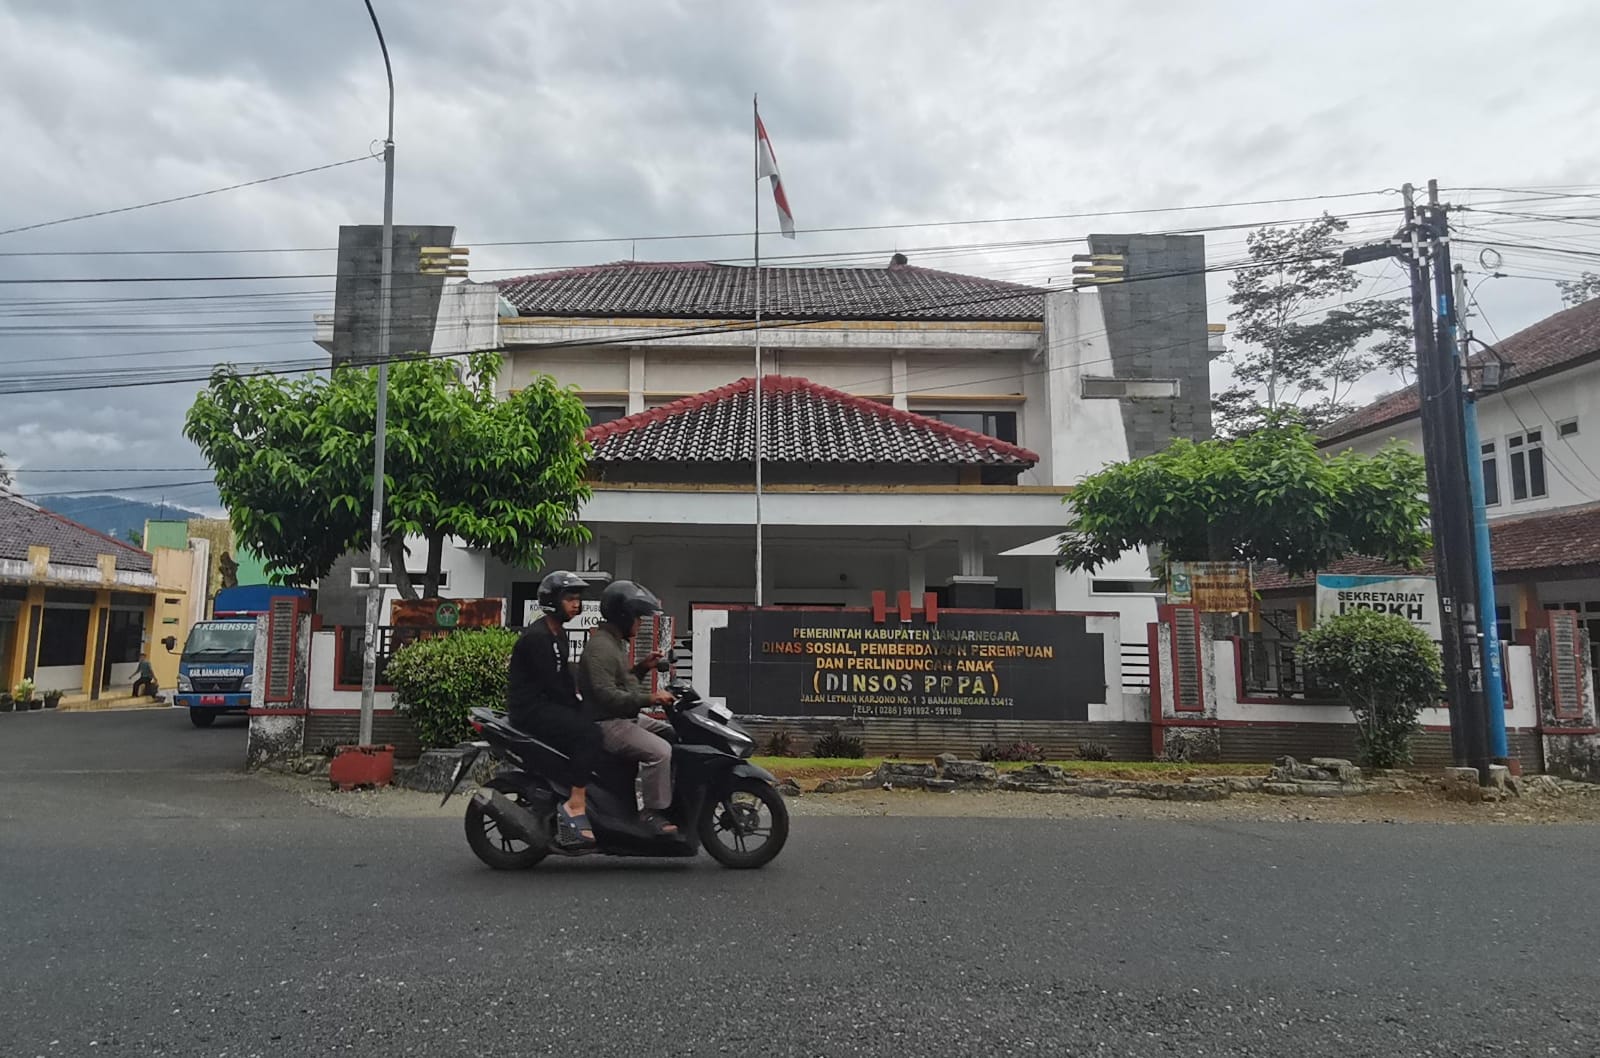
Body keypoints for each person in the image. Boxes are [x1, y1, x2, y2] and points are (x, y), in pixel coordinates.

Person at [506, 570, 604, 847]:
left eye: (577, 599)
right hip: (532, 710)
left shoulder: (557, 633)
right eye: (570, 599)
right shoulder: (538, 638)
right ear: (552, 601)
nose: (576, 604)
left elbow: (565, 681)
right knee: (590, 735)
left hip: (547, 705)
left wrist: (584, 704)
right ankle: (576, 801)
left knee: (592, 725)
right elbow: (553, 686)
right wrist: (580, 709)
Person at [578, 580, 678, 836]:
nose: (640, 622)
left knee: (669, 733)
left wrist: (644, 667)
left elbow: (625, 684)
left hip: (623, 718)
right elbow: (606, 695)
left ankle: (669, 796)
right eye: (637, 616)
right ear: (622, 616)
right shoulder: (601, 647)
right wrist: (650, 699)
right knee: (661, 752)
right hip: (607, 723)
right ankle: (651, 813)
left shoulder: (614, 643)